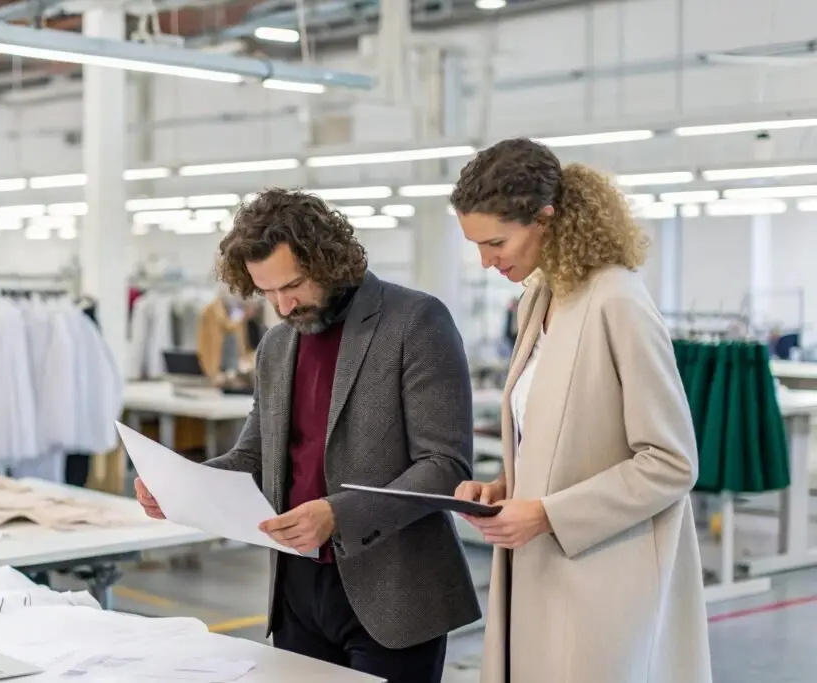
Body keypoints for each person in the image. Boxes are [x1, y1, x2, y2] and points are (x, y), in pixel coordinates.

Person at [135, 188, 479, 683]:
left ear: (330, 259)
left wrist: (340, 514)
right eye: (266, 291)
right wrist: (180, 484)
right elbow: (255, 455)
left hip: (393, 588)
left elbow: (445, 465)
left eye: (292, 284)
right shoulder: (277, 344)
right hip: (296, 590)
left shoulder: (415, 322)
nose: (282, 304)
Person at [450, 138, 712, 683]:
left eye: (496, 241)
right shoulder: (540, 299)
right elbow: (554, 432)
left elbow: (671, 462)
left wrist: (548, 512)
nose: (486, 260)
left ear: (546, 218)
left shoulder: (618, 300)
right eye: (477, 245)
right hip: (538, 567)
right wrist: (505, 486)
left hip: (606, 577)